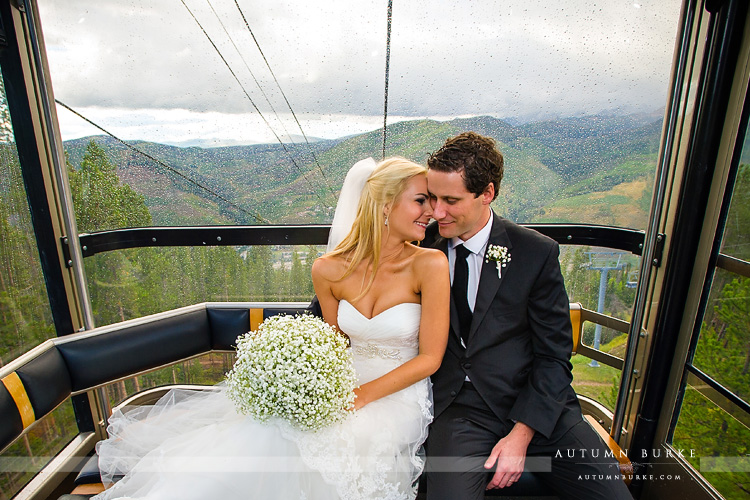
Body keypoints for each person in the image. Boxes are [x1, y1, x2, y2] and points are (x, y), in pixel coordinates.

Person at [91, 157, 450, 500]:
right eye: (422, 201)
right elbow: (333, 344)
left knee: (332, 441)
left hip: (397, 393)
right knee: (269, 431)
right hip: (341, 384)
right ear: (385, 205)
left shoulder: (430, 265)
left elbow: (430, 358)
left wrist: (361, 397)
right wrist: (306, 384)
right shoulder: (328, 270)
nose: (432, 213)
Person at [422, 132, 633, 500]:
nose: (437, 212)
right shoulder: (422, 244)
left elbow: (554, 355)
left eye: (450, 200)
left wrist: (521, 434)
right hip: (461, 411)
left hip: (541, 410)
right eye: (433, 197)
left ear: (486, 193)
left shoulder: (535, 253)